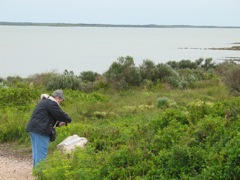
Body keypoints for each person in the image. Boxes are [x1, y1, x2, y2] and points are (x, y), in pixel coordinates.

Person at [26, 89, 72, 167]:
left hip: (34, 129)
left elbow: (46, 118)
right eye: (61, 100)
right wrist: (69, 120)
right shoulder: (51, 103)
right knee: (41, 154)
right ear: (57, 98)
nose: (60, 102)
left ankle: (36, 171)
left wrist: (58, 124)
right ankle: (40, 174)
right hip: (41, 131)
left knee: (36, 152)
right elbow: (60, 114)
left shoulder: (44, 102)